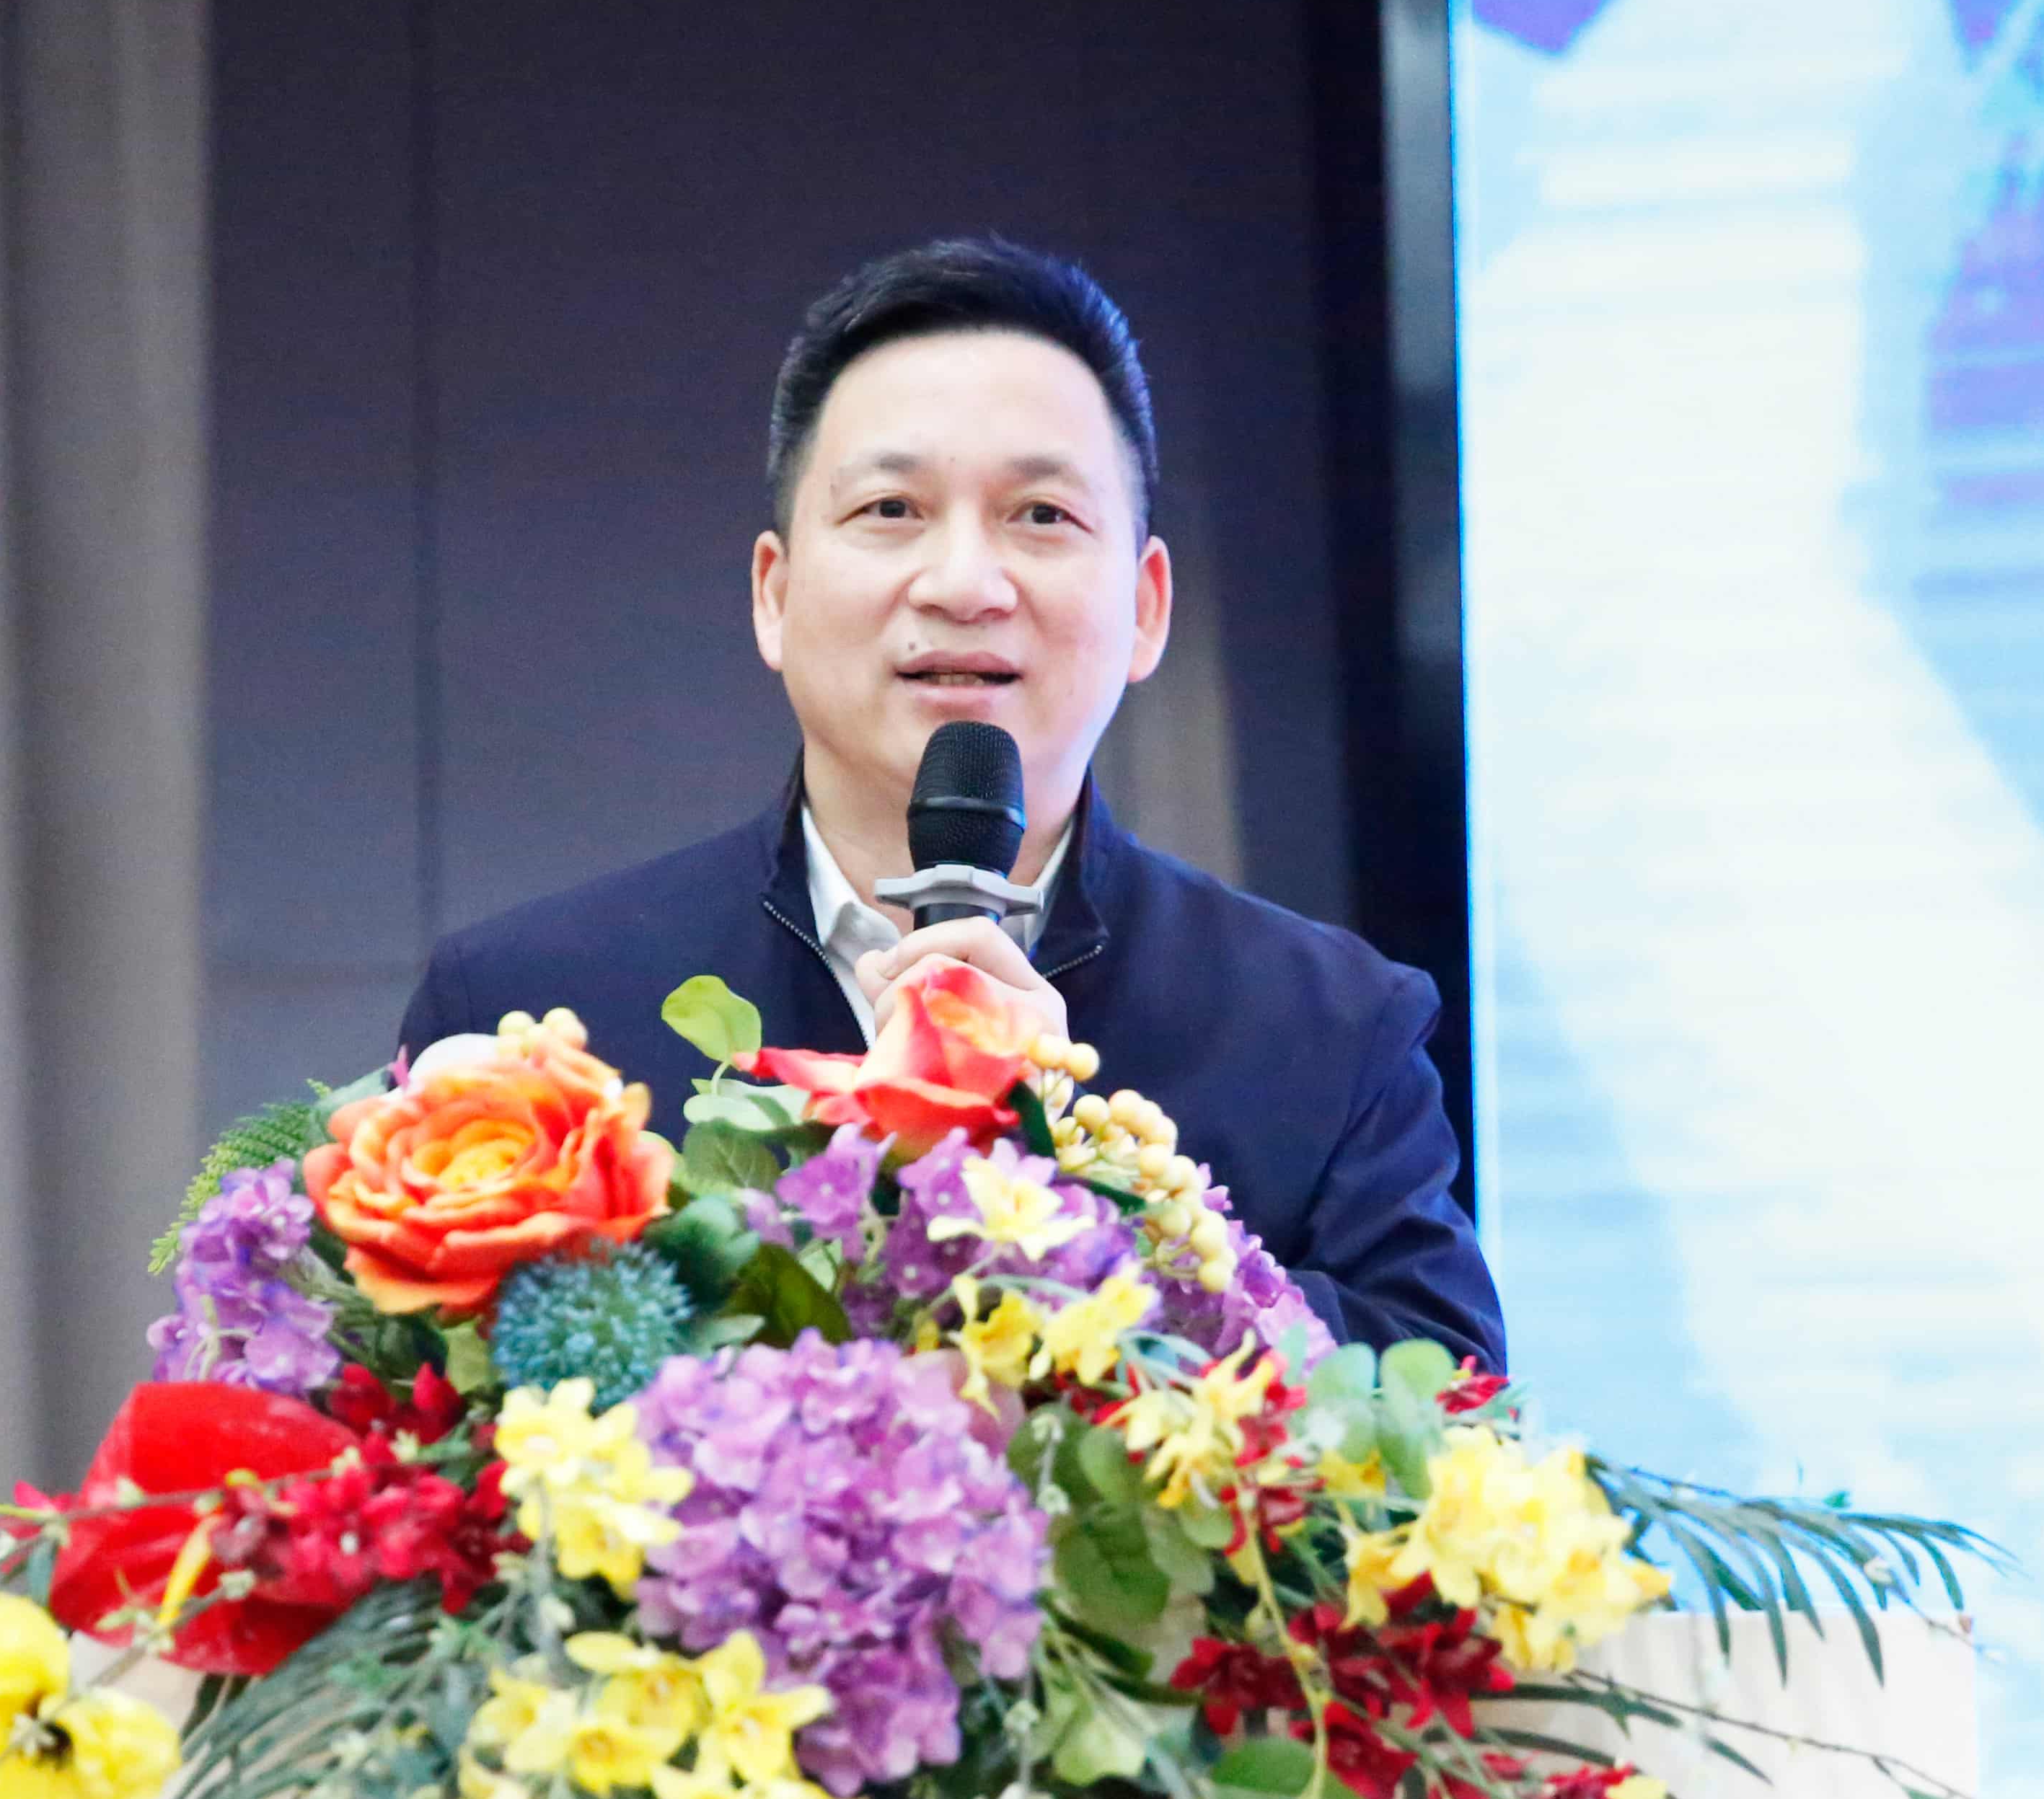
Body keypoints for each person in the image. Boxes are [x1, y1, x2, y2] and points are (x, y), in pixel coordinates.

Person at [392, 237, 1505, 1363]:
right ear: (775, 594)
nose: (966, 585)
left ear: (1147, 608)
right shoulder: (528, 1013)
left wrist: (1093, 1216)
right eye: (891, 508)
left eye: (1042, 516)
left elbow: (1458, 1416)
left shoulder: (1330, 1030)